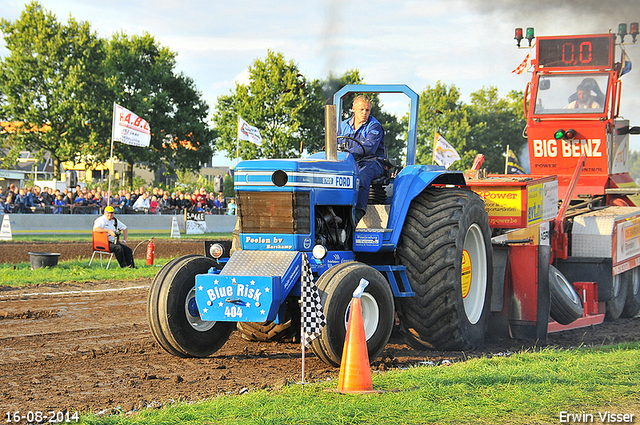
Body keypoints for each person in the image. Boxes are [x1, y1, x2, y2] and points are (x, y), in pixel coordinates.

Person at [337, 94, 386, 224]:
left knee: (362, 176)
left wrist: (346, 153)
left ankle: (357, 214)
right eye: (361, 109)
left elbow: (369, 148)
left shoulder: (374, 126)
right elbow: (336, 144)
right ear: (353, 109)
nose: (364, 113)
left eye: (367, 110)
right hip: (350, 162)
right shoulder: (343, 126)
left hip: (372, 162)